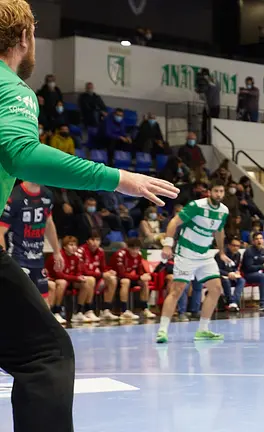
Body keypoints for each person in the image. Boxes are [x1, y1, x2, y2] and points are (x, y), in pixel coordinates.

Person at [0, 2, 178, 430]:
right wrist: (118, 178)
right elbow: (21, 154)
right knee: (45, 353)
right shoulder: (11, 88)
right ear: (25, 37)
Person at [157, 180, 230, 343]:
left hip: (204, 255)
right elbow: (174, 222)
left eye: (221, 191)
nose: (219, 194)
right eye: (216, 191)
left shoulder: (224, 211)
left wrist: (222, 251)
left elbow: (219, 230)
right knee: (177, 290)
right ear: (209, 192)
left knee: (216, 288)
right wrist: (168, 245)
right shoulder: (196, 206)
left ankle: (203, 330)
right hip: (186, 253)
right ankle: (162, 331)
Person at [0, 181, 62, 320]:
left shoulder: (47, 195)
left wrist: (56, 251)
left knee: (44, 305)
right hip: (16, 259)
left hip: (37, 259)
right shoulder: (14, 196)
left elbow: (49, 223)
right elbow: (0, 231)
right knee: (19, 302)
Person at [77, 231, 119, 321]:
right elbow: (83, 271)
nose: (95, 242)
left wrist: (109, 272)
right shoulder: (81, 251)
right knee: (91, 279)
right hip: (80, 279)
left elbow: (103, 268)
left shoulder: (100, 251)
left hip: (96, 278)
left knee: (112, 279)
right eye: (92, 239)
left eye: (98, 240)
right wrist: (102, 274)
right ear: (87, 241)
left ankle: (106, 310)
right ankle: (88, 310)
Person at [110, 238, 156, 320]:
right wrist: (139, 277)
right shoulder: (120, 255)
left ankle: (144, 309)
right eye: (132, 249)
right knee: (126, 281)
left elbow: (140, 271)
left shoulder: (139, 255)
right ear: (127, 248)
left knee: (144, 282)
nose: (135, 251)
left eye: (137, 249)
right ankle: (124, 311)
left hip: (130, 277)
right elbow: (122, 274)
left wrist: (144, 276)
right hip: (116, 278)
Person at [215, 236, 246, 312]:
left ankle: (234, 301)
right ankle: (230, 302)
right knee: (226, 281)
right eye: (234, 245)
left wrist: (236, 272)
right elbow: (216, 269)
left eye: (238, 246)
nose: (236, 248)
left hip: (232, 275)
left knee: (242, 280)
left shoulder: (238, 254)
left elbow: (235, 266)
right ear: (229, 245)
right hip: (220, 276)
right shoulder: (221, 255)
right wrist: (228, 274)